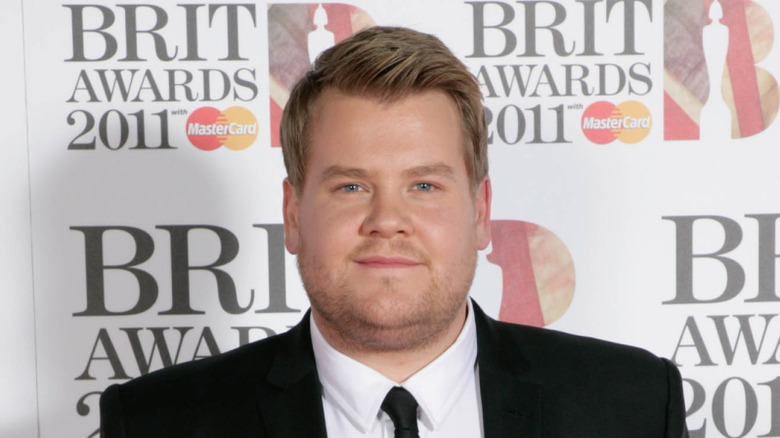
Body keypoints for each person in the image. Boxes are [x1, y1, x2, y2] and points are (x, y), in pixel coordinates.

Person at [100, 26, 689, 438]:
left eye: (424, 186)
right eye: (351, 186)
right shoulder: (157, 421)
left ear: (482, 211)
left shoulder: (631, 405)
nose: (387, 220)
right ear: (293, 215)